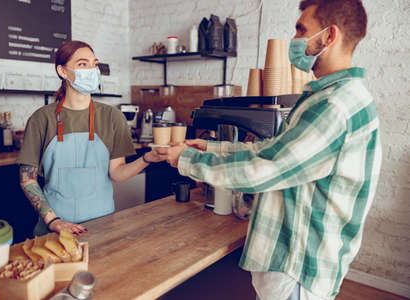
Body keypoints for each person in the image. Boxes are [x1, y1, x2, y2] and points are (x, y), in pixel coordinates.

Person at [156, 0, 382, 299]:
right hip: (301, 260)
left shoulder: (333, 106)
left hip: (298, 266)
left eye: (302, 29)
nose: (295, 39)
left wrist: (187, 159)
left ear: (329, 36)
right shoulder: (335, 96)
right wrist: (212, 146)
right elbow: (274, 151)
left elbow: (266, 169)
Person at [18, 40, 163, 237]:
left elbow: (117, 173)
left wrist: (147, 159)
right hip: (54, 228)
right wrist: (54, 221)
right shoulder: (41, 119)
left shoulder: (112, 117)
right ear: (62, 71)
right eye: (82, 64)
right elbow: (27, 180)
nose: (92, 70)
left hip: (102, 225)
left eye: (94, 64)